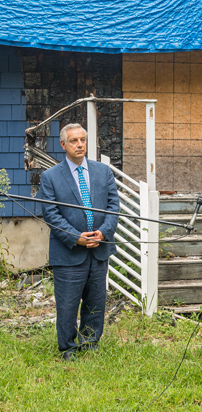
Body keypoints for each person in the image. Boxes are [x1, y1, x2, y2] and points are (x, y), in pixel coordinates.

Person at [39, 124, 119, 361]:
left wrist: (103, 233)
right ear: (63, 145)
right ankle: (68, 348)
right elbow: (51, 214)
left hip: (99, 250)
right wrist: (76, 237)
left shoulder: (103, 172)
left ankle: (90, 343)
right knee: (68, 304)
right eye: (74, 140)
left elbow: (114, 208)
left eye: (83, 139)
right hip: (69, 252)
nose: (80, 144)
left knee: (95, 301)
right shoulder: (51, 176)